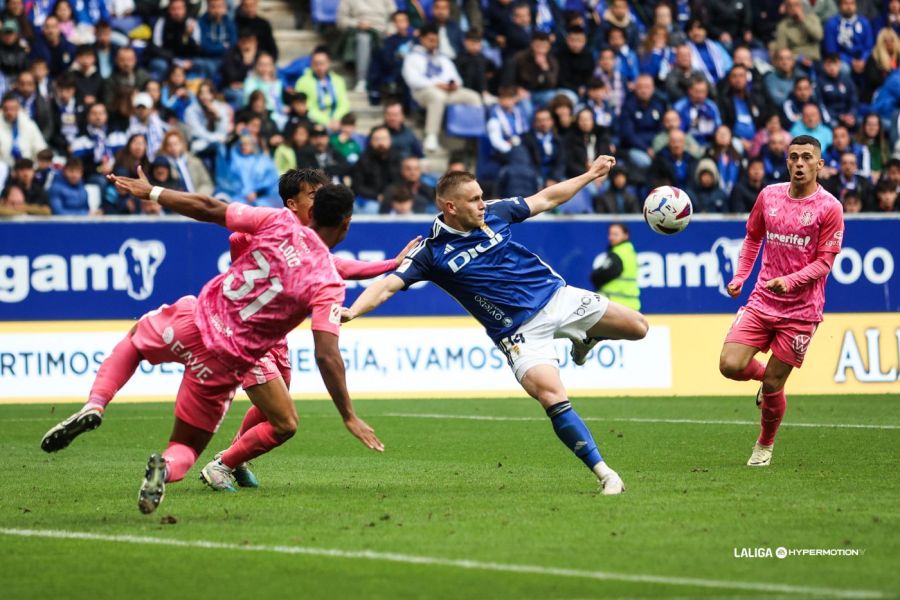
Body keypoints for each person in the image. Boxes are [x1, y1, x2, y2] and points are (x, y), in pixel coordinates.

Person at [42, 171, 383, 514]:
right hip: (223, 361)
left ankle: (96, 403)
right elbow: (326, 354)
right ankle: (165, 464)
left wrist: (153, 192)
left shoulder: (279, 220)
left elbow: (207, 207)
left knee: (134, 343)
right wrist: (348, 415)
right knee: (185, 447)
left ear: (312, 211)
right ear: (346, 224)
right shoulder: (327, 282)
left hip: (194, 319)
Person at [341, 155, 648, 495]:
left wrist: (589, 174)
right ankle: (606, 474)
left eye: (482, 196)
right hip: (519, 333)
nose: (482, 204)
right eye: (474, 200)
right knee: (552, 396)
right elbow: (387, 286)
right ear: (450, 207)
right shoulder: (430, 253)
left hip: (557, 297)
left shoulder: (496, 212)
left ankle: (588, 337)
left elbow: (547, 198)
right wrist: (352, 311)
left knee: (638, 328)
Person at [197, 168, 419, 490]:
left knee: (271, 405)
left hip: (274, 338)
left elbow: (338, 266)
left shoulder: (310, 244)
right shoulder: (274, 227)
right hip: (243, 337)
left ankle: (236, 456)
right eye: (313, 195)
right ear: (292, 203)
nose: (320, 200)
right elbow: (237, 237)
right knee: (284, 421)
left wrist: (391, 264)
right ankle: (221, 466)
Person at [718, 135, 845, 467]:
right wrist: (741, 276)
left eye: (806, 157)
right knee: (729, 365)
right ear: (787, 162)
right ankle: (763, 381)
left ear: (819, 164)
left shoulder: (830, 207)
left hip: (802, 312)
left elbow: (824, 263)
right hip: (762, 300)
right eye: (793, 157)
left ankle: (764, 445)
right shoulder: (768, 196)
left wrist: (790, 282)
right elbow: (753, 237)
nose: (799, 163)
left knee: (776, 382)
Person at [401, 24, 482, 153]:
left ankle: (472, 137)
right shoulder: (412, 58)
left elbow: (457, 78)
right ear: (422, 39)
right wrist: (435, 84)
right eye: (430, 40)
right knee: (437, 96)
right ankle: (431, 136)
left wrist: (453, 84)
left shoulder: (443, 58)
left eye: (436, 41)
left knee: (473, 97)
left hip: (447, 92)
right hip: (423, 93)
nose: (434, 44)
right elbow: (413, 80)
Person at [294, 47, 349, 131]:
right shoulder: (302, 82)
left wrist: (336, 119)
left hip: (337, 122)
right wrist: (326, 122)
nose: (319, 67)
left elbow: (344, 104)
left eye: (322, 63)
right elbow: (306, 106)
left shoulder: (338, 81)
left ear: (329, 63)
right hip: (314, 122)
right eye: (316, 63)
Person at [590, 223, 640, 309]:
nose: (611, 237)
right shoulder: (629, 251)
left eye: (615, 234)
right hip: (631, 305)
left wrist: (594, 275)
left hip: (617, 306)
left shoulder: (619, 253)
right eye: (610, 234)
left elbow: (599, 276)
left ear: (626, 235)